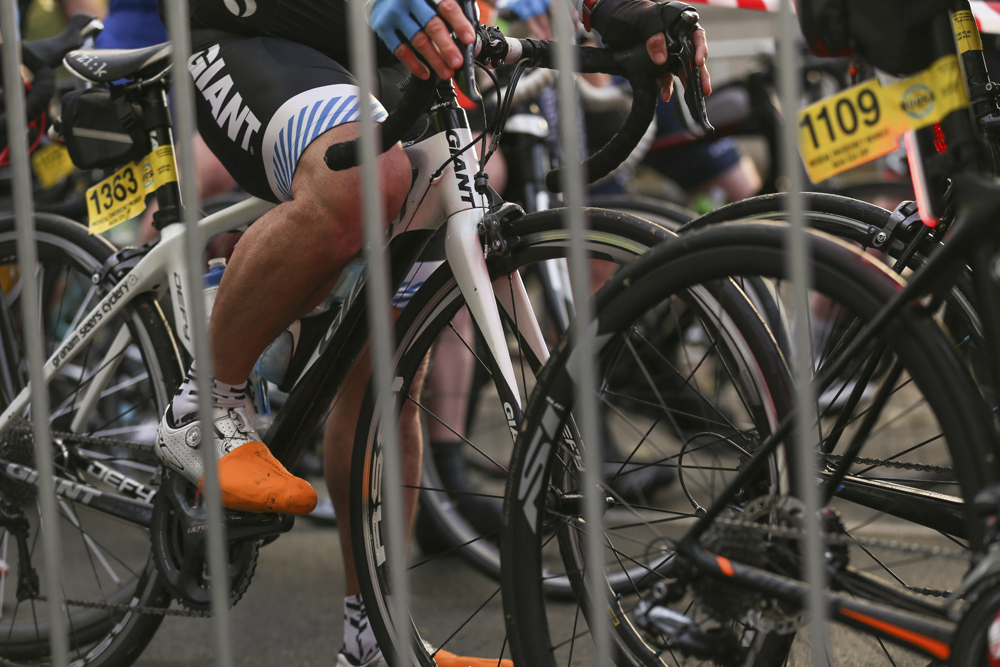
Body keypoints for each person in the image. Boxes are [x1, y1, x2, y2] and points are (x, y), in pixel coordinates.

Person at [153, 0, 711, 664]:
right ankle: (205, 404)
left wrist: (626, 12)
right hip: (253, 25)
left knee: (391, 368)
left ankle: (372, 639)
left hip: (387, 45)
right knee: (364, 182)